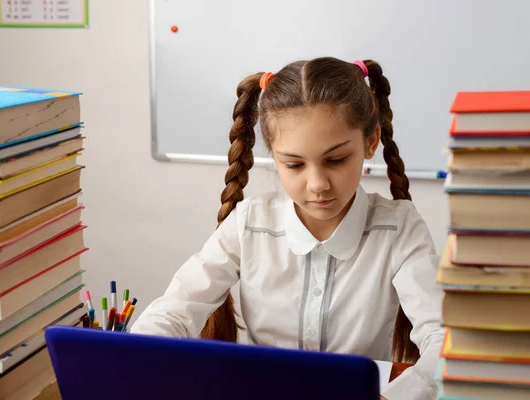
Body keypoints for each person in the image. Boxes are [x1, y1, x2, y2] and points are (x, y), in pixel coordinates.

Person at [131, 57, 444, 400]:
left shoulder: (400, 228)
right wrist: (130, 362)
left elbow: (443, 338)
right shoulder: (250, 222)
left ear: (370, 143)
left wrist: (401, 395)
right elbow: (175, 311)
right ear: (275, 158)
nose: (317, 184)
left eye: (336, 160)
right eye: (294, 164)